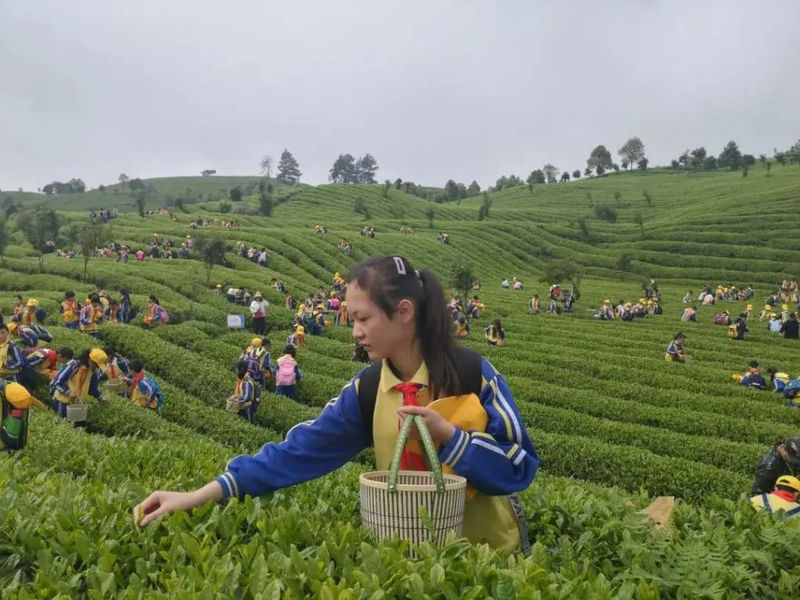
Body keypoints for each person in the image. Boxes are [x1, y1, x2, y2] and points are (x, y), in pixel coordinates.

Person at [134, 255, 538, 554]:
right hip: (409, 562)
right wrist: (199, 495)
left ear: (403, 313)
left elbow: (520, 465)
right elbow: (296, 453)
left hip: (489, 561)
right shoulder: (366, 392)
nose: (355, 331)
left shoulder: (473, 373)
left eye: (363, 319)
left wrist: (451, 438)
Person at [50, 348, 107, 418]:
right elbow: (57, 382)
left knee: (73, 426)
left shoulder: (92, 372)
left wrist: (100, 397)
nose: (97, 367)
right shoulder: (74, 365)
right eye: (96, 365)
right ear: (90, 360)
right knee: (62, 423)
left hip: (76, 405)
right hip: (62, 403)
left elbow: (92, 389)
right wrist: (67, 392)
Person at [0, 381, 47, 451]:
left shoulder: (17, 400)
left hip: (17, 407)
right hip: (16, 405)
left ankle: (12, 450)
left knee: (12, 437)